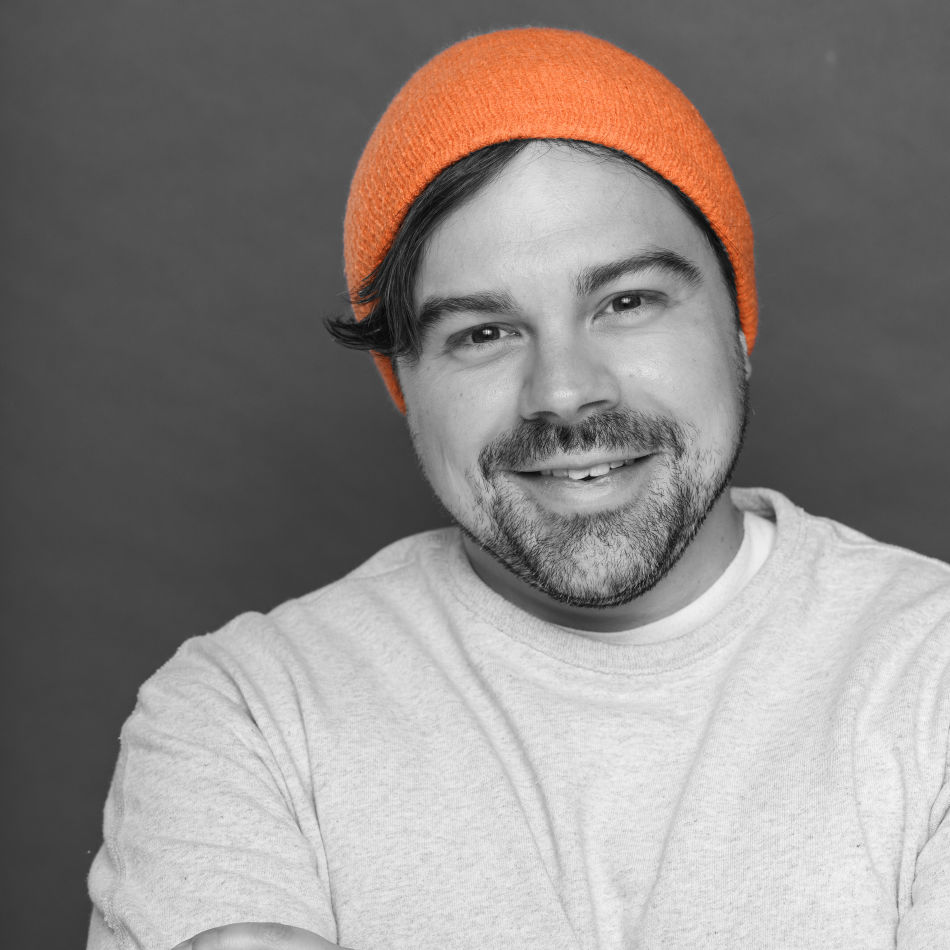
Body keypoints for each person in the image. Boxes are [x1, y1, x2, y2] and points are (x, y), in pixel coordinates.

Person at [86, 27, 950, 950]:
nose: (564, 391)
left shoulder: (929, 672)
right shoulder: (246, 715)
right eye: (484, 333)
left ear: (737, 322)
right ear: (405, 384)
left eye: (626, 302)